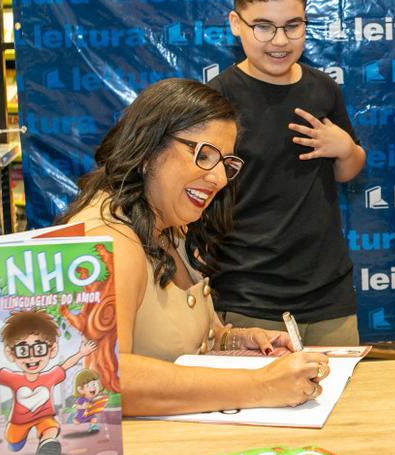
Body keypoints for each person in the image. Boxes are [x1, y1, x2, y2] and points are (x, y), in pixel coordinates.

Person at [59, 78, 330, 416]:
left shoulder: (170, 224)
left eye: (226, 164)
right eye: (204, 155)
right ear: (148, 148)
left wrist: (233, 341)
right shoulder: (110, 242)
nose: (218, 179)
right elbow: (104, 375)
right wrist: (261, 386)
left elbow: (171, 341)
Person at [209, 0, 365, 346]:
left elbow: (348, 171)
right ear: (235, 23)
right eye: (263, 26)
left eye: (293, 26)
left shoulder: (323, 90)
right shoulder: (217, 99)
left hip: (329, 295)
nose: (280, 40)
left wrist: (345, 149)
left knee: (343, 401)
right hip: (250, 298)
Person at [0, 310, 97, 455]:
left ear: (51, 350)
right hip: (18, 422)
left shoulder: (50, 376)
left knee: (51, 428)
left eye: (39, 349)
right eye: (23, 350)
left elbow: (65, 366)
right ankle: (17, 442)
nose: (32, 357)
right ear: (11, 354)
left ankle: (47, 445)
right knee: (14, 442)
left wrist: (81, 353)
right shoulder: (14, 378)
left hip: (44, 417)